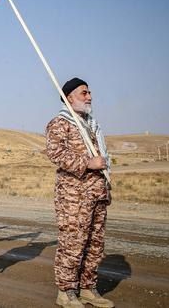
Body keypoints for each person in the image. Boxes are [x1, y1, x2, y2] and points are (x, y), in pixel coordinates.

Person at [45, 78, 114, 308]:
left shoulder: (91, 125)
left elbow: (102, 158)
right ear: (69, 97)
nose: (89, 97)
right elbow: (56, 153)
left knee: (95, 245)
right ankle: (66, 291)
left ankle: (87, 288)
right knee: (73, 243)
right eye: (84, 93)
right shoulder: (60, 123)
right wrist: (88, 163)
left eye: (89, 92)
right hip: (74, 196)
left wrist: (105, 182)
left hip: (97, 194)